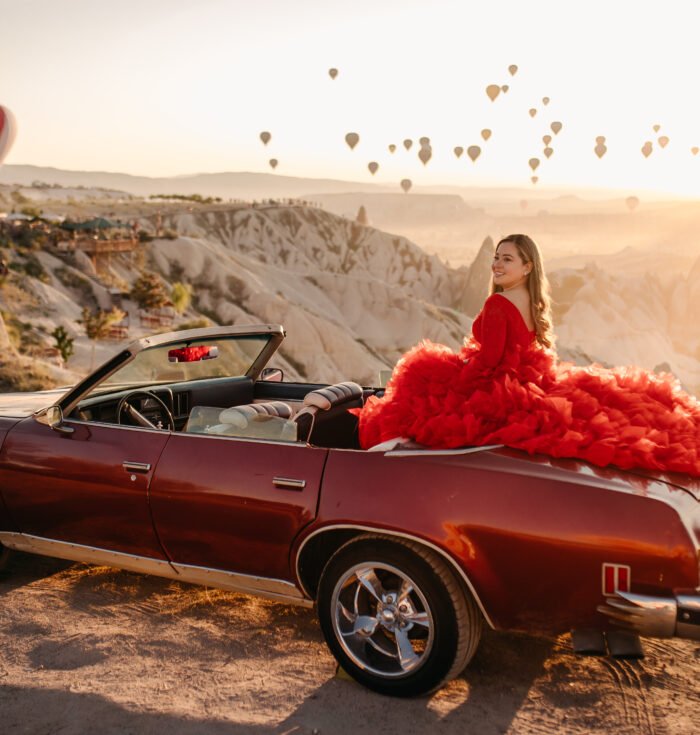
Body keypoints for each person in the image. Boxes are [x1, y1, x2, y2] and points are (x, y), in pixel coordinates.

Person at [354, 234, 700, 477]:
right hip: (527, 380)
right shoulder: (532, 301)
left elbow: (489, 362)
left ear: (527, 266)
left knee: (418, 384)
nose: (497, 264)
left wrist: (455, 375)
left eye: (507, 259)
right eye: (496, 257)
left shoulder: (497, 303)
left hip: (502, 384)